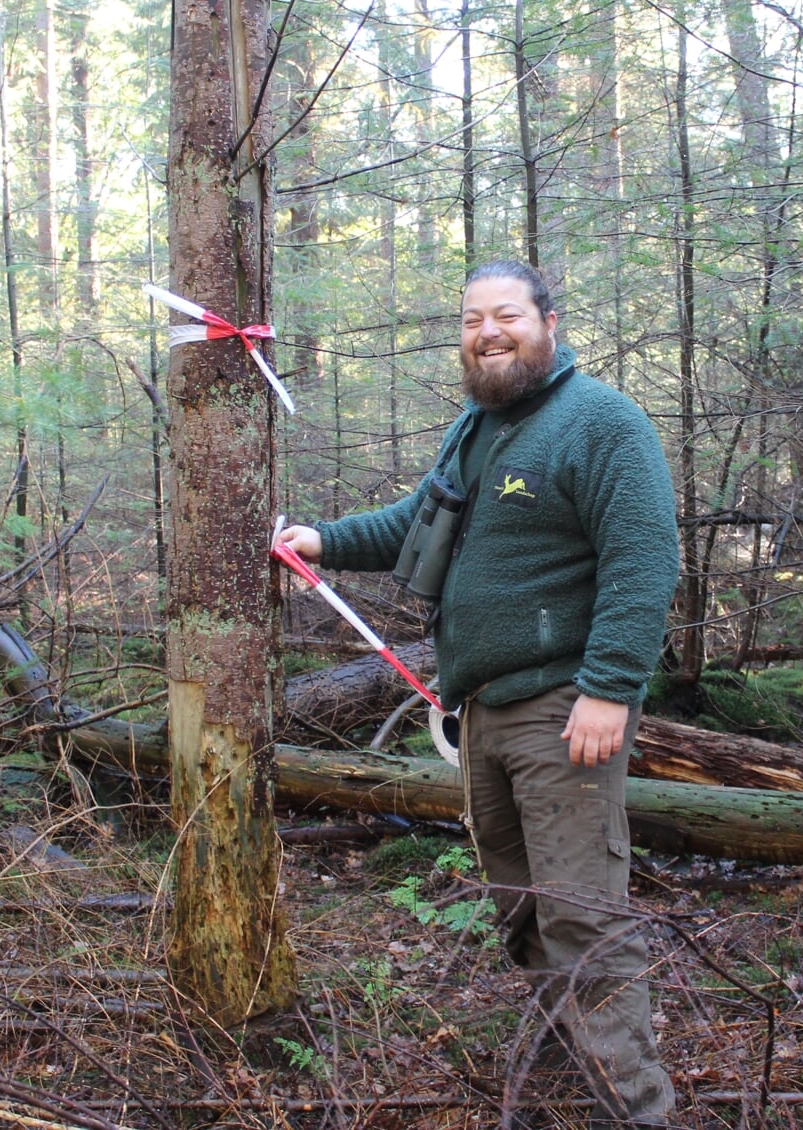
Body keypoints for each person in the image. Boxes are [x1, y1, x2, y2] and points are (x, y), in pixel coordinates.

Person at [277, 260, 680, 1125]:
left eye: (506, 316)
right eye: (472, 321)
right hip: (484, 718)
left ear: (549, 322)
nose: (488, 332)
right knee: (525, 913)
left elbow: (644, 560)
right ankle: (570, 1081)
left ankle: (636, 1111)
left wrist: (609, 689)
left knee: (583, 917)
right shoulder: (478, 426)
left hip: (562, 710)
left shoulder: (600, 423)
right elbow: (410, 523)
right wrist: (321, 539)